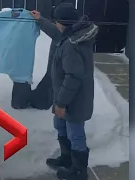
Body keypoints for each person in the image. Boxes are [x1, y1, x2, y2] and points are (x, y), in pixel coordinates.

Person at [31, 3, 98, 180]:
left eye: (56, 21)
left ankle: (78, 171)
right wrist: (40, 20)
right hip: (64, 95)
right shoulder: (70, 34)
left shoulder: (72, 44)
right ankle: (67, 158)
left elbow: (74, 77)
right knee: (61, 125)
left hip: (73, 100)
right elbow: (54, 31)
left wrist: (61, 103)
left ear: (62, 23)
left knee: (76, 133)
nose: (55, 24)